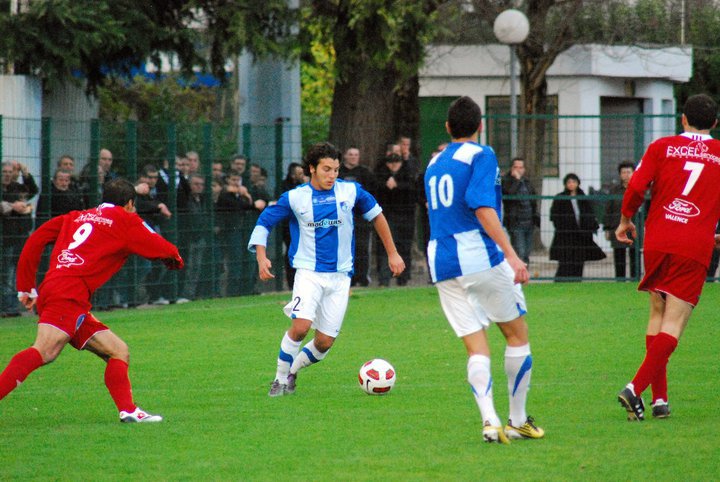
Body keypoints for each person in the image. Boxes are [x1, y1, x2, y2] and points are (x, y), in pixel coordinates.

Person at [0, 178, 184, 422]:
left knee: (118, 351)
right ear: (130, 203)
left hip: (58, 290)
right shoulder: (126, 219)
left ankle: (128, 411)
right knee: (45, 350)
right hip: (68, 294)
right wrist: (174, 258)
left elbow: (36, 240)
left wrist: (26, 287)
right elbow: (160, 245)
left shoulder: (75, 216)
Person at [424, 96, 544, 444]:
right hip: (478, 256)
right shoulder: (482, 154)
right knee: (516, 336)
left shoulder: (434, 162)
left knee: (477, 348)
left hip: (442, 261)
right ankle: (517, 420)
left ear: (447, 127)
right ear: (480, 126)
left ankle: (490, 421)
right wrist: (512, 255)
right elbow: (481, 207)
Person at [248, 142, 405, 397]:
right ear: (312, 168)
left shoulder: (351, 191)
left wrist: (393, 252)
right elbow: (264, 221)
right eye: (326, 169)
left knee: (323, 343)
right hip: (309, 273)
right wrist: (261, 257)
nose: (332, 175)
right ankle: (278, 381)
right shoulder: (295, 197)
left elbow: (377, 215)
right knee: (300, 327)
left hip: (341, 277)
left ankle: (292, 372)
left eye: (336, 170)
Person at [616, 94, 720, 421]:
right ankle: (635, 388)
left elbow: (636, 185)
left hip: (659, 237)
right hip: (693, 242)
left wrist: (625, 218)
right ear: (715, 124)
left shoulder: (663, 146)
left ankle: (660, 399)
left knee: (657, 314)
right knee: (675, 323)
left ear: (683, 120)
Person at [549, 173, 606, 280]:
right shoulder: (560, 198)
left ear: (578, 183)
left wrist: (589, 228)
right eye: (569, 182)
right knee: (565, 261)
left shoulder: (582, 197)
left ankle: (577, 280)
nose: (571, 184)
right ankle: (562, 281)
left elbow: (589, 214)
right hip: (565, 236)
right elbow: (555, 216)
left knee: (579, 260)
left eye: (574, 182)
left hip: (581, 236)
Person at [374, 152, 416, 286]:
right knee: (385, 246)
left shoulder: (407, 174)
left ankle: (403, 278)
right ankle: (384, 279)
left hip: (405, 216)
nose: (394, 166)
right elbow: (375, 189)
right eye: (391, 163)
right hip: (386, 215)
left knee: (404, 246)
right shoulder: (381, 174)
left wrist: (397, 184)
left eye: (396, 163)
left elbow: (413, 190)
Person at [1, 161, 36, 318]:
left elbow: (33, 190)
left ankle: (12, 306)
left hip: (19, 236)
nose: (8, 174)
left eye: (10, 171)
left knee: (15, 273)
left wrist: (25, 173)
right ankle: (6, 306)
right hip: (5, 237)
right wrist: (12, 206)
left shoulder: (16, 187)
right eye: (5, 172)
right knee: (6, 273)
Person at [339, 146, 377, 287]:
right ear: (345, 156)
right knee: (344, 247)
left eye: (356, 154)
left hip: (360, 217)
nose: (354, 157)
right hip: (341, 217)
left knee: (362, 247)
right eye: (351, 154)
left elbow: (372, 193)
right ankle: (347, 277)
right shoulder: (339, 173)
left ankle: (362, 277)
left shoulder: (365, 173)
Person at [502, 158, 540, 267]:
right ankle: (517, 276)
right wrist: (517, 180)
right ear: (511, 168)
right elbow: (509, 194)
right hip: (515, 222)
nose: (518, 170)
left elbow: (533, 200)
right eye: (516, 167)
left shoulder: (527, 181)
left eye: (521, 167)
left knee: (527, 252)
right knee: (520, 251)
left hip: (529, 222)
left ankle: (524, 276)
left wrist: (535, 217)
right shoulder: (505, 180)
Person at [603, 161, 638, 280]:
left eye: (629, 172)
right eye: (623, 172)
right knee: (619, 255)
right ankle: (620, 280)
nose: (626, 175)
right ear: (620, 175)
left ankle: (635, 279)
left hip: (636, 227)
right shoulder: (614, 191)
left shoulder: (640, 189)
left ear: (634, 173)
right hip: (617, 227)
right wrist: (607, 228)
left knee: (635, 255)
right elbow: (608, 210)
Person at [277, 162, 307, 289]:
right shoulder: (285, 187)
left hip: (304, 225)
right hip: (289, 225)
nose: (302, 176)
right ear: (293, 175)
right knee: (292, 251)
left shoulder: (305, 186)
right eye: (299, 173)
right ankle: (292, 282)